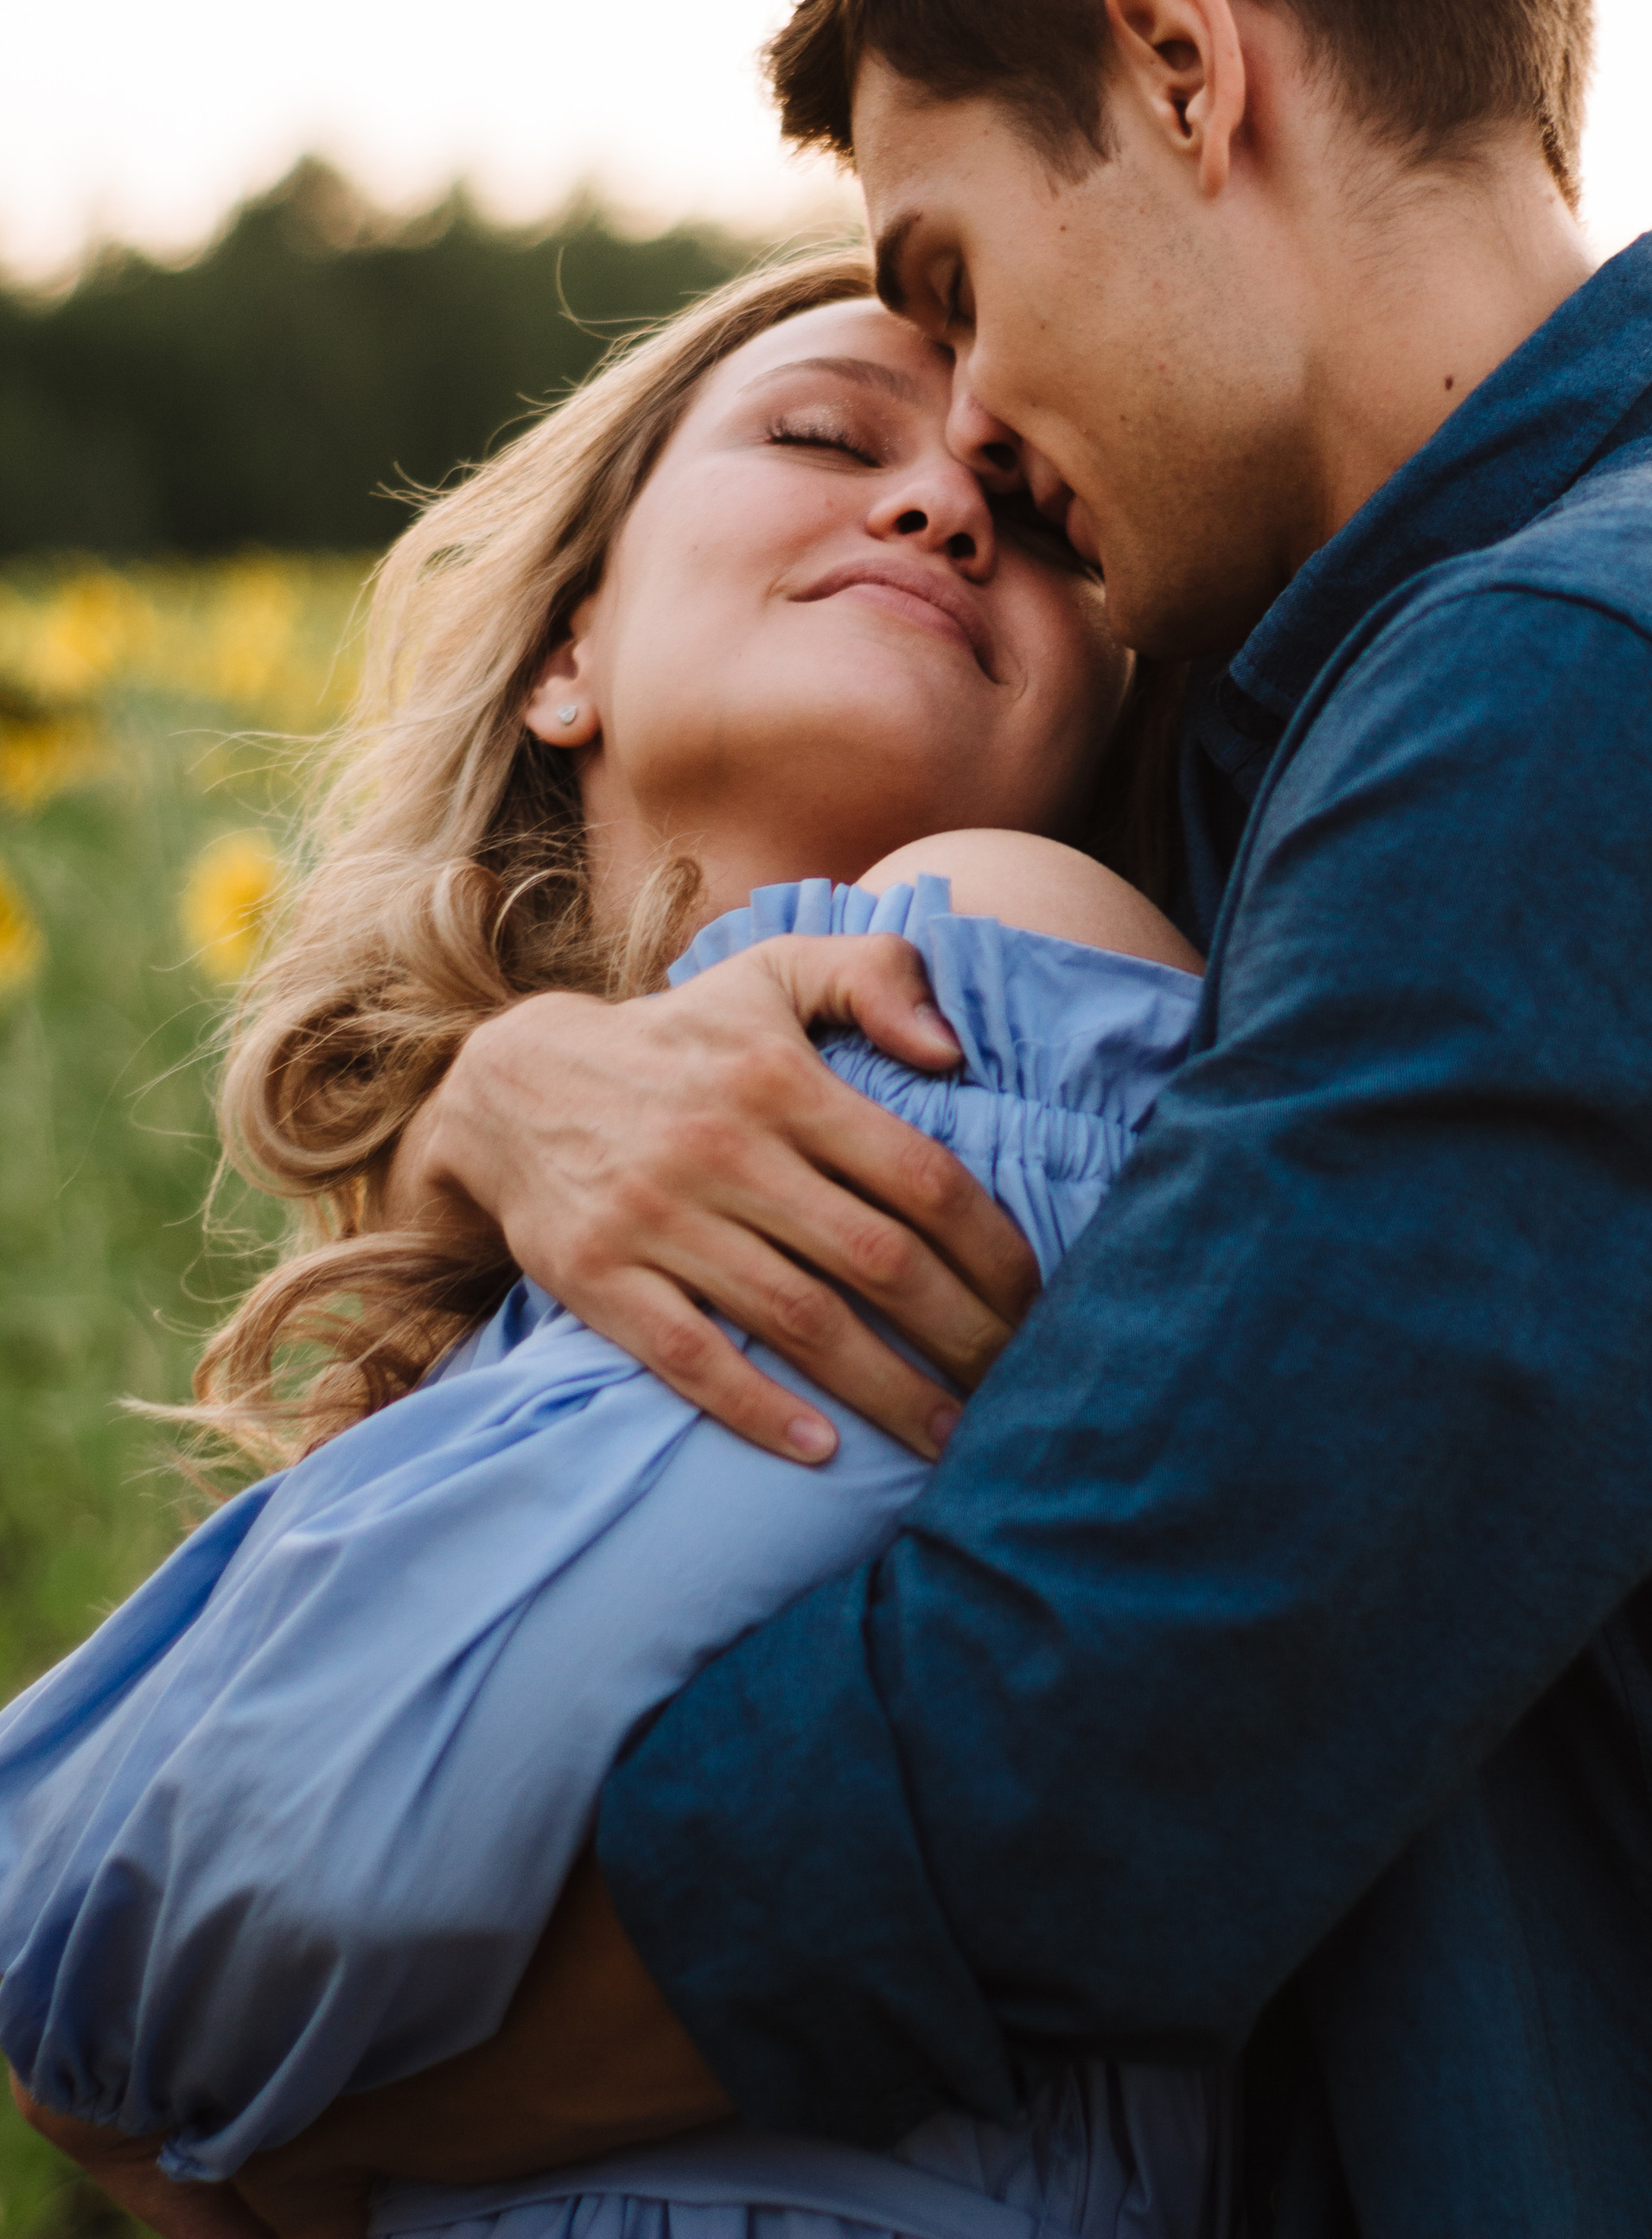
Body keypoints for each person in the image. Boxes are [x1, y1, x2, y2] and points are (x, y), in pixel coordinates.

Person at [31, 0, 1652, 2236]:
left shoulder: (1598, 688)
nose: (981, 424)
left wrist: (315, 2137)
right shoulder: (1513, 680)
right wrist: (510, 1090)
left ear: (1180, 66)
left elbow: (1080, 1750)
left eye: (951, 271)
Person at [0, 253, 1232, 2239]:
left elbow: (159, 1954)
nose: (935, 503)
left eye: (1033, 521)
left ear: (1102, 722)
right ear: (569, 648)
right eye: (826, 434)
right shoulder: (506, 1244)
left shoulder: (1002, 958)